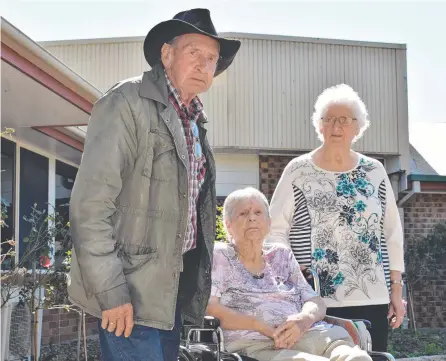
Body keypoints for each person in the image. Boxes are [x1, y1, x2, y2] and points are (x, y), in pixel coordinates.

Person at [67, 8, 240, 361]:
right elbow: (90, 207)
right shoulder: (126, 102)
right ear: (167, 54)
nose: (204, 65)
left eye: (212, 58)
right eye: (194, 53)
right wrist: (111, 292)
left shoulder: (194, 121)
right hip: (129, 294)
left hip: (169, 293)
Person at [268, 84, 405, 352]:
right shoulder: (298, 170)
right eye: (328, 119)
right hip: (316, 300)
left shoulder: (374, 170)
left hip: (373, 295)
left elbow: (392, 233)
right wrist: (292, 278)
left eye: (344, 120)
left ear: (358, 127)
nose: (335, 127)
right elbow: (275, 231)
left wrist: (396, 291)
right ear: (319, 126)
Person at [207, 187, 372, 361]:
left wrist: (303, 320)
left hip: (314, 335)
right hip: (258, 344)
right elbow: (211, 308)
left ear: (269, 223)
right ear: (228, 224)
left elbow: (314, 301)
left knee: (359, 359)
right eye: (243, 213)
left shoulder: (281, 254)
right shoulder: (221, 255)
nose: (252, 217)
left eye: (258, 212)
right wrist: (259, 325)